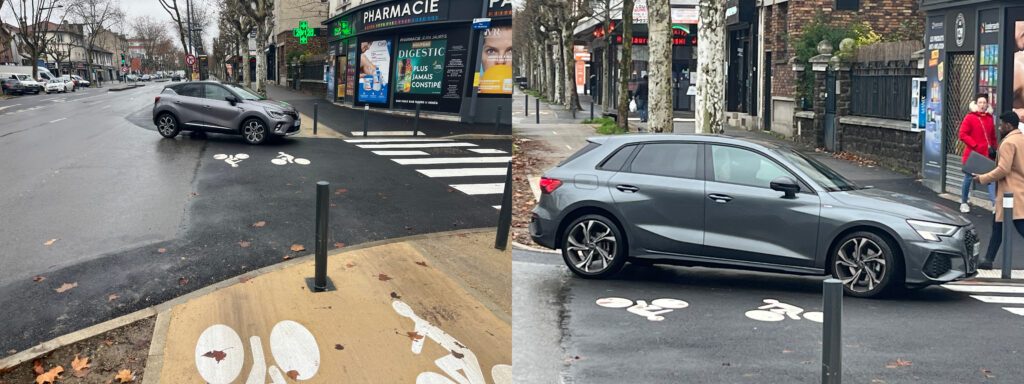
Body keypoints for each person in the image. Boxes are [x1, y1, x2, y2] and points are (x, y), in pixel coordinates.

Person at [974, 111, 1024, 269]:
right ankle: (988, 259)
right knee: (998, 226)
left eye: (1001, 124)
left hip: (1010, 193)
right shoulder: (1021, 138)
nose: (1000, 127)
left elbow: (1003, 169)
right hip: (1018, 190)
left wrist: (983, 178)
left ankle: (988, 259)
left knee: (1018, 226)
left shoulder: (1009, 142)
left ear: (1008, 125)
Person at [958, 93, 998, 213]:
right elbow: (962, 134)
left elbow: (992, 136)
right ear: (976, 104)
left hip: (987, 154)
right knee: (968, 178)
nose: (982, 105)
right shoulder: (970, 117)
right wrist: (974, 144)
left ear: (987, 105)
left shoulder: (990, 118)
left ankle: (995, 204)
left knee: (991, 179)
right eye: (980, 102)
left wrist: (995, 148)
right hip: (973, 155)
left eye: (984, 103)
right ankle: (964, 202)